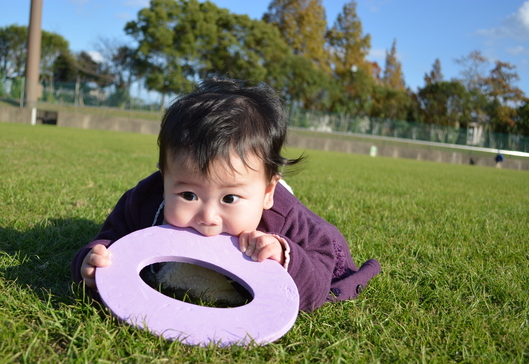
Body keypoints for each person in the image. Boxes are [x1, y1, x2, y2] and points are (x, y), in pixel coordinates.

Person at [72, 78, 381, 312]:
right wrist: (92, 259)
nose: (208, 217)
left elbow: (316, 285)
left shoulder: (285, 222)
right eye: (189, 195)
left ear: (266, 193)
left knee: (323, 250)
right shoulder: (145, 199)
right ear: (165, 179)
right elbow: (111, 237)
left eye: (229, 198)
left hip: (284, 220)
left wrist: (285, 255)